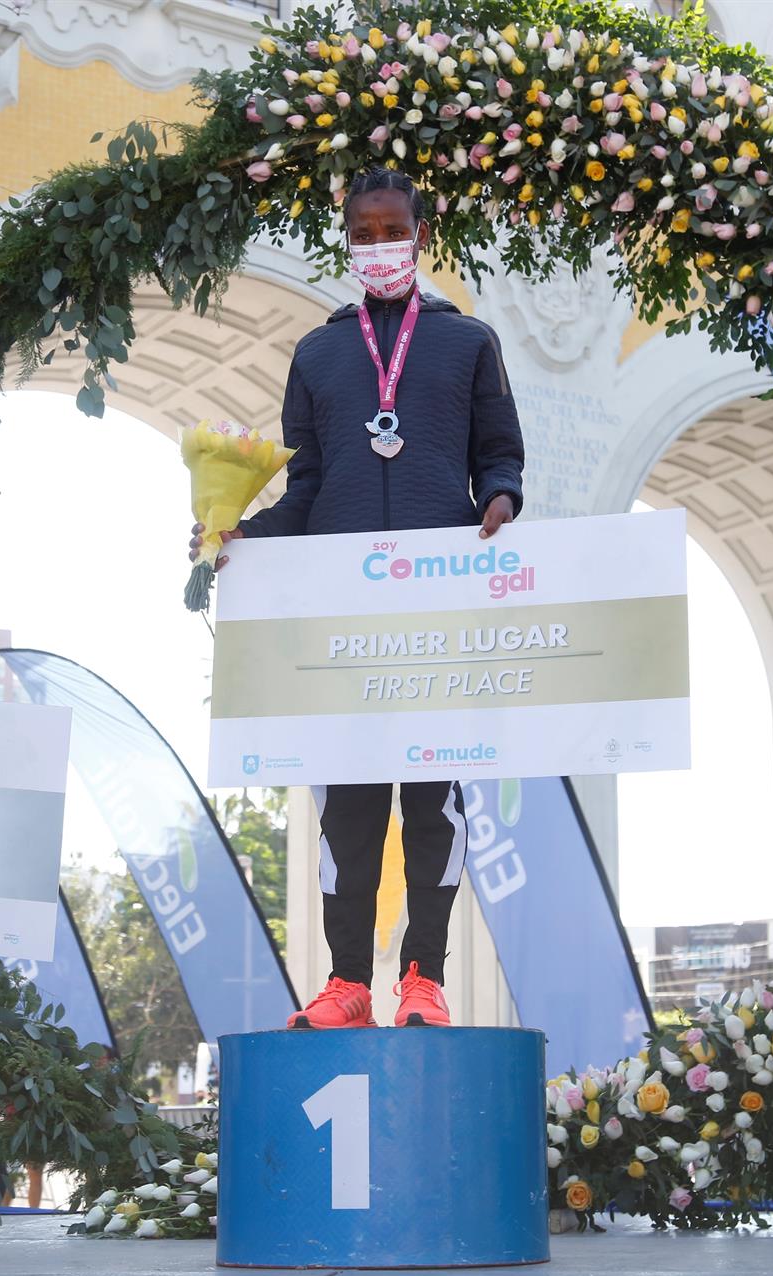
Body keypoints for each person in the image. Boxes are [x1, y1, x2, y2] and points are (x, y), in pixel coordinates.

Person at [189, 169, 524, 1029]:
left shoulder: (468, 342)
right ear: (348, 242)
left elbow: (499, 455)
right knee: (349, 807)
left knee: (432, 800)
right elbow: (307, 489)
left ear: (421, 233)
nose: (379, 246)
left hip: (437, 611)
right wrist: (243, 534)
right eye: (363, 234)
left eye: (392, 230)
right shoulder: (319, 353)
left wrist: (500, 499)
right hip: (344, 620)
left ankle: (424, 977)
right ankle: (346, 983)